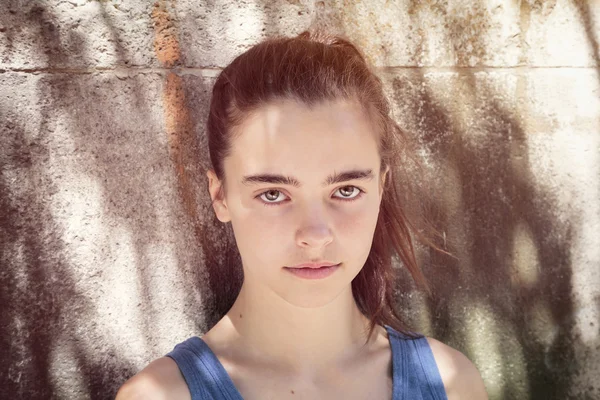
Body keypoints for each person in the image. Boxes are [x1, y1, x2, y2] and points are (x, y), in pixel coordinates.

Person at [116, 29, 488, 400]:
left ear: (380, 189)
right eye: (273, 194)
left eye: (346, 190)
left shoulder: (452, 384)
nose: (314, 234)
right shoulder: (160, 396)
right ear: (220, 196)